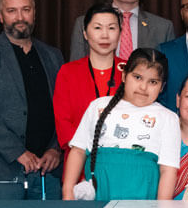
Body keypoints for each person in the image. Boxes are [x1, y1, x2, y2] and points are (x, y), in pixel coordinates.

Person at [0, 0, 65, 201]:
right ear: (1, 16)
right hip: (3, 169)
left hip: (47, 169)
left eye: (26, 9)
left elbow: (64, 108)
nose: (20, 17)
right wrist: (17, 152)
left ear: (34, 12)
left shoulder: (53, 55)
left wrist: (56, 149)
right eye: (12, 11)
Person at [61, 48, 180, 200]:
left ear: (162, 87)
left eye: (153, 82)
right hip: (99, 196)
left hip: (143, 202)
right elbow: (78, 151)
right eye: (137, 77)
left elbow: (168, 170)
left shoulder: (168, 118)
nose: (143, 87)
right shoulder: (98, 106)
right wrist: (67, 193)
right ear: (124, 75)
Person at [53, 3, 126, 158]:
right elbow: (63, 122)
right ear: (85, 33)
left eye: (112, 28)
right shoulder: (68, 72)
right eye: (98, 28)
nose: (105, 35)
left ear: (120, 33)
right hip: (79, 160)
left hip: (120, 160)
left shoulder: (130, 71)